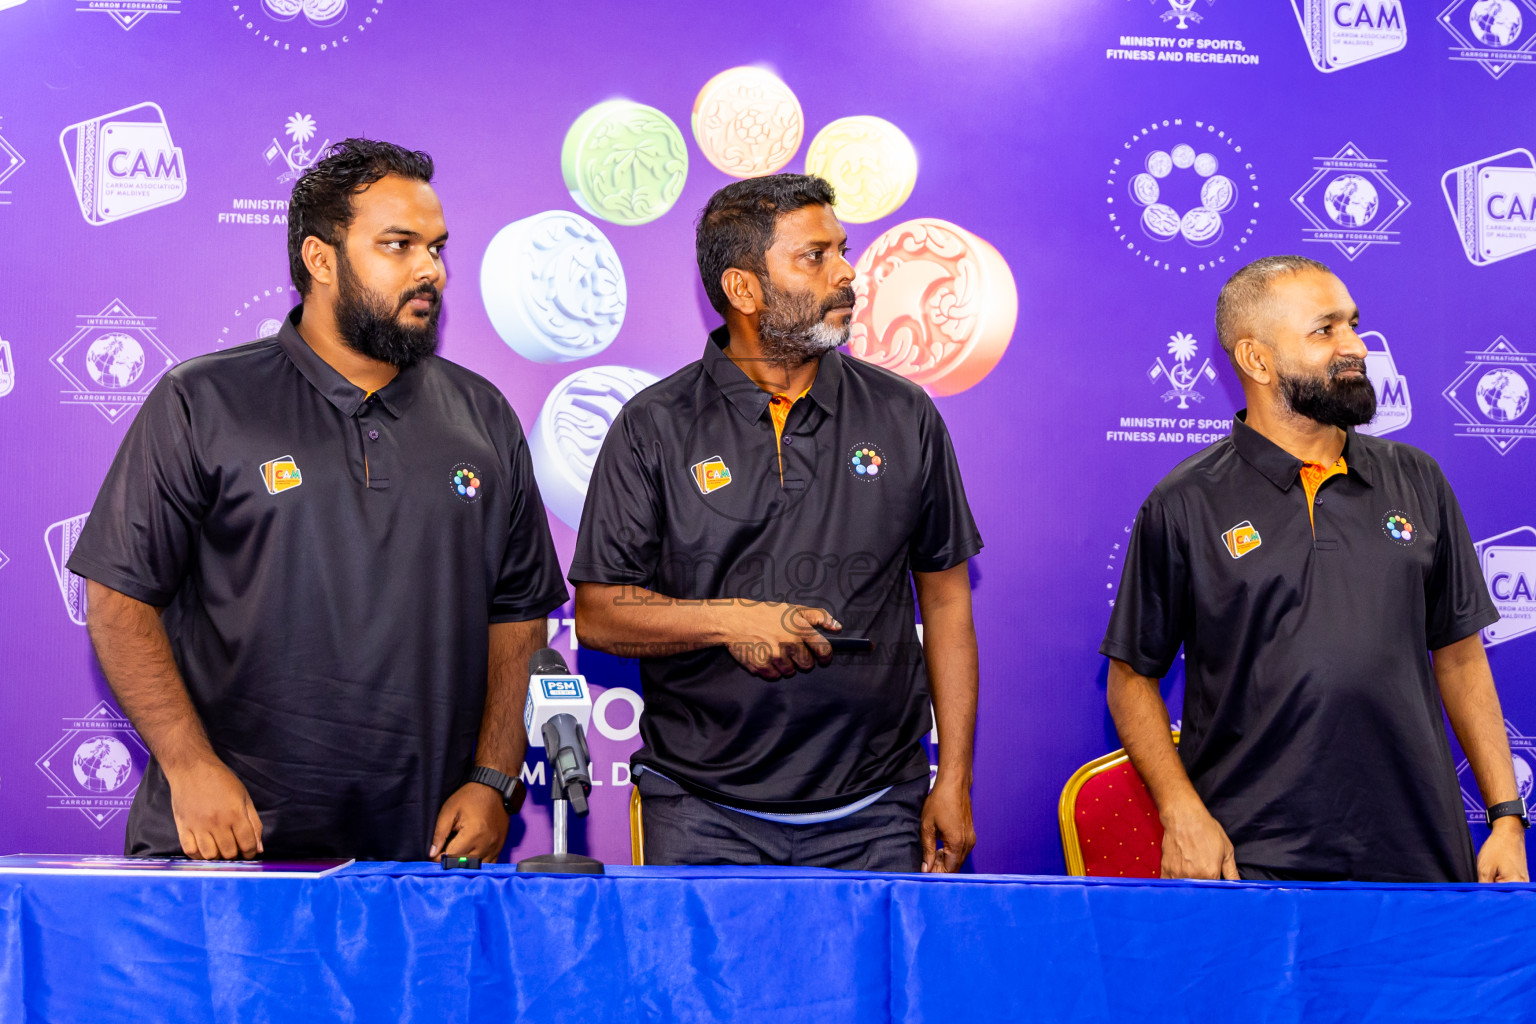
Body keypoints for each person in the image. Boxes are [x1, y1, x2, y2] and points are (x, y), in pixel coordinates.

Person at [69, 139, 567, 862]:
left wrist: (492, 780)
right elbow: (119, 604)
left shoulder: (483, 416)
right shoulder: (202, 401)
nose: (431, 269)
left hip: (424, 856)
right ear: (321, 259)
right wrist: (188, 767)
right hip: (231, 848)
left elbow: (518, 620)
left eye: (435, 247)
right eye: (398, 245)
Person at [571, 174, 982, 872]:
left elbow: (945, 602)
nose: (847, 273)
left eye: (842, 251)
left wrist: (955, 781)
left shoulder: (905, 414)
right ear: (744, 290)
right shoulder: (654, 426)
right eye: (815, 257)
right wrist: (734, 620)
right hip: (703, 813)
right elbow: (601, 615)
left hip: (879, 811)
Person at [1102, 254, 1528, 883]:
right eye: (1325, 330)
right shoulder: (1185, 502)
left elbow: (1461, 659)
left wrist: (1505, 819)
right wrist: (1181, 810)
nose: (1355, 345)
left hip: (1419, 857)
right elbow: (1131, 679)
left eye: (1353, 325)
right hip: (1250, 863)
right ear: (1256, 359)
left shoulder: (1418, 480)